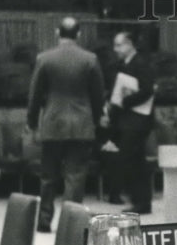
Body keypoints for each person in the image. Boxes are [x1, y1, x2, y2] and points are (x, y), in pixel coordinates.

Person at [26, 17, 104, 232]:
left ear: (56, 32)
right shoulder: (90, 59)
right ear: (78, 35)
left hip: (52, 123)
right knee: (75, 177)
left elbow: (34, 95)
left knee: (48, 175)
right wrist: (96, 120)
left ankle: (44, 220)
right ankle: (69, 223)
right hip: (81, 125)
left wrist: (32, 122)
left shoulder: (44, 58)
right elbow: (98, 96)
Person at [108, 30, 155, 215]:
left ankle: (142, 202)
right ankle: (139, 201)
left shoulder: (141, 63)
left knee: (135, 161)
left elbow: (147, 90)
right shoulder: (122, 65)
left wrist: (124, 101)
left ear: (129, 45)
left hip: (138, 120)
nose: (115, 49)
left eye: (119, 45)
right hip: (127, 120)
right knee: (132, 160)